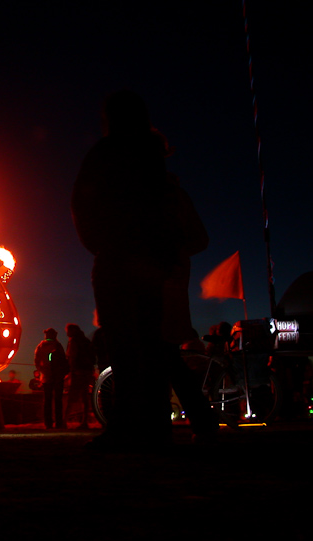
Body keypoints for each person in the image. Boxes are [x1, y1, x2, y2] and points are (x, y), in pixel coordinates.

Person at [72, 90, 217, 449]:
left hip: (121, 258)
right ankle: (154, 426)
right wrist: (162, 254)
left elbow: (84, 201)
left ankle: (127, 425)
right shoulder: (153, 162)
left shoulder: (106, 154)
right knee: (151, 346)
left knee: (124, 344)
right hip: (150, 264)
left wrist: (100, 244)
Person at [34, 328, 68, 429]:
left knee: (47, 400)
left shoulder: (40, 346)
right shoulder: (58, 345)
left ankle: (48, 423)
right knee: (58, 400)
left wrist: (42, 370)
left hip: (46, 377)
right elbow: (63, 359)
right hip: (57, 376)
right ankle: (58, 422)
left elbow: (36, 360)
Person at [65, 324, 96, 430]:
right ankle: (84, 421)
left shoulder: (73, 341)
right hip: (87, 371)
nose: (66, 333)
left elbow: (72, 357)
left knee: (71, 397)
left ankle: (64, 421)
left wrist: (70, 371)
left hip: (78, 371)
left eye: (68, 330)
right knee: (85, 397)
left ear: (73, 330)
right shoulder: (86, 341)